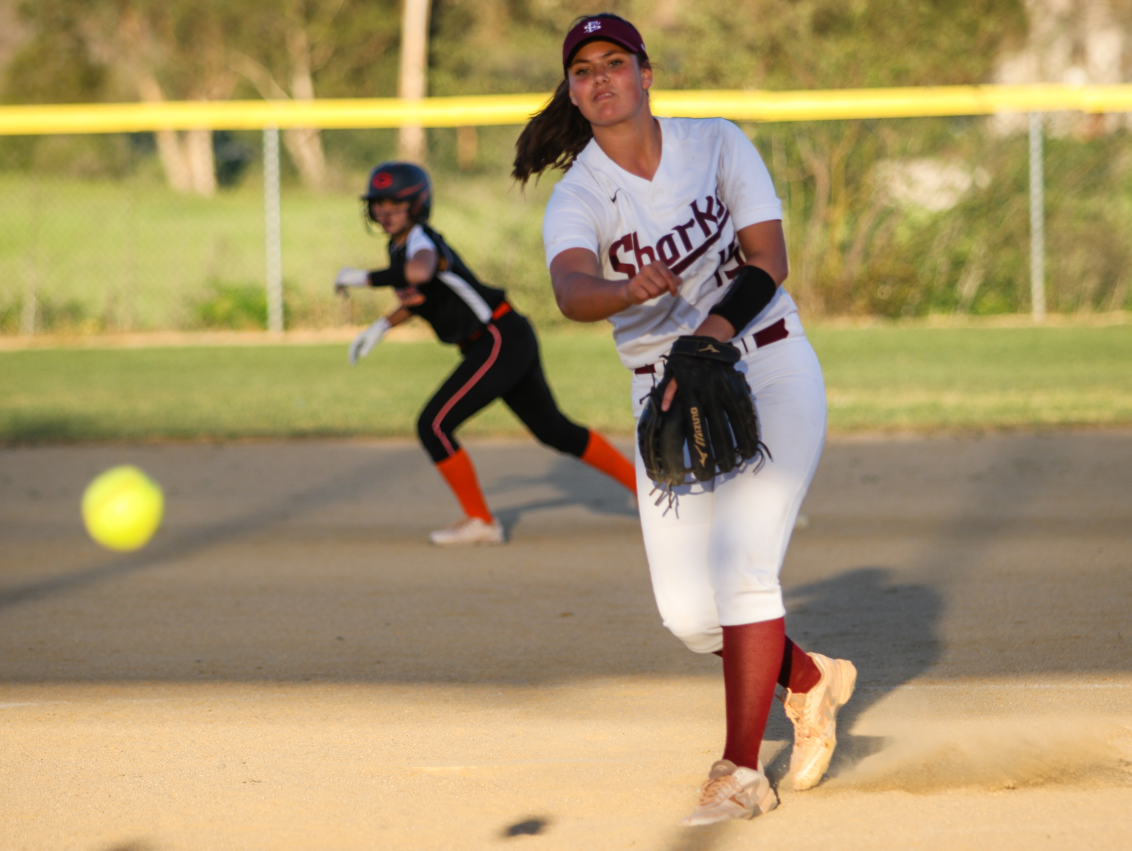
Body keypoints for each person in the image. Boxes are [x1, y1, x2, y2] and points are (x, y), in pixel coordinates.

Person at [513, 13, 857, 825]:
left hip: (765, 358)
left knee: (743, 564)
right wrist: (625, 290)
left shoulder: (717, 143)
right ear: (573, 89)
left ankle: (740, 770)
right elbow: (569, 288)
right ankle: (809, 680)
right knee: (690, 614)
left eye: (615, 62)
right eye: (583, 70)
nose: (600, 79)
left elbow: (768, 258)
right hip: (664, 393)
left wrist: (710, 332)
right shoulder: (582, 192)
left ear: (645, 72)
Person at [334, 161, 637, 545]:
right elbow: (424, 295)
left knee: (434, 425)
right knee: (554, 431)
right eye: (378, 203)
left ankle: (481, 521)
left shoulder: (421, 241)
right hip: (504, 337)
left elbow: (421, 273)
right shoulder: (399, 246)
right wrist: (381, 326)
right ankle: (644, 491)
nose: (383, 211)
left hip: (497, 338)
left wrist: (362, 278)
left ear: (417, 204)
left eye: (395, 202)